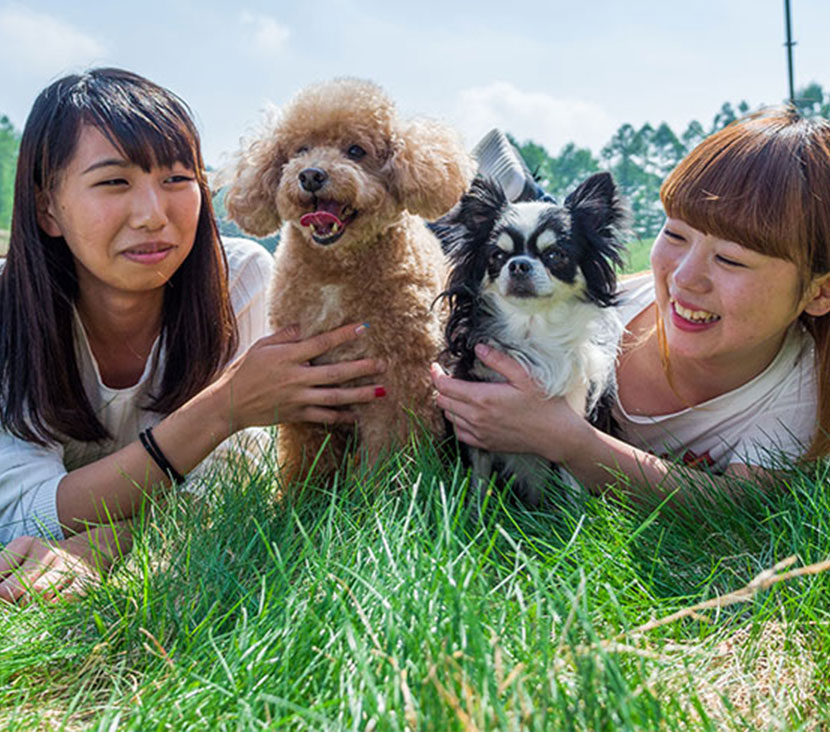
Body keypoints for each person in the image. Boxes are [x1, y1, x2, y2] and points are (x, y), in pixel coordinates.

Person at [0, 68, 385, 601]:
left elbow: (237, 484)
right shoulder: (10, 311)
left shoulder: (243, 279)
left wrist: (115, 539)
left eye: (177, 180)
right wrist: (224, 407)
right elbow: (23, 512)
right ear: (48, 208)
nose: (153, 215)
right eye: (114, 182)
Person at [431, 105, 830, 500]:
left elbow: (735, 506)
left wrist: (572, 441)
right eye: (675, 235)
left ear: (819, 292)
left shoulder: (800, 386)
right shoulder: (614, 302)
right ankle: (532, 203)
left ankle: (534, 200)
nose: (684, 277)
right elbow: (465, 317)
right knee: (455, 245)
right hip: (577, 293)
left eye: (731, 259)